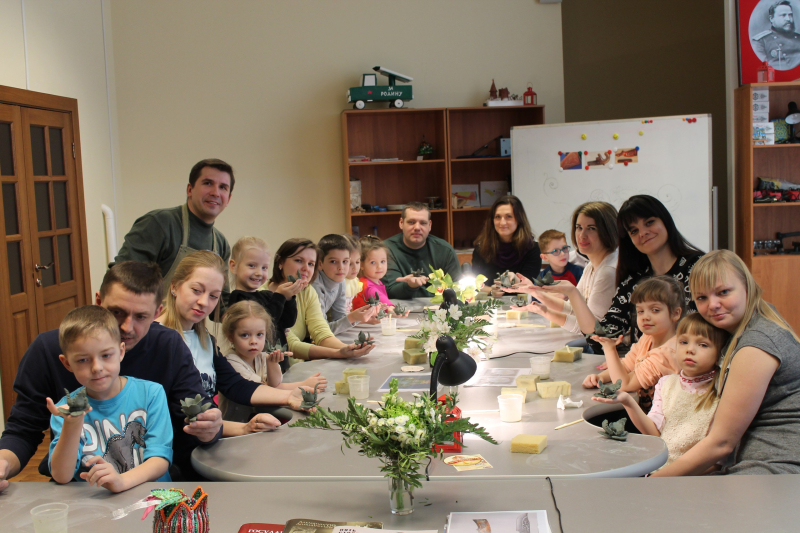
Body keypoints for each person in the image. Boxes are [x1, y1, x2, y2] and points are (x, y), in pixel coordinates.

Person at [0, 261, 222, 488]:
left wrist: (210, 428)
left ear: (157, 312)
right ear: (98, 301)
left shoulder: (168, 348)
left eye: (141, 317)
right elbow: (23, 430)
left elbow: (197, 416)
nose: (126, 327)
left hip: (149, 486)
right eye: (117, 312)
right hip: (80, 489)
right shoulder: (48, 349)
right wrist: (3, 463)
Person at [653, 250, 800, 476]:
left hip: (775, 467)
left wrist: (650, 483)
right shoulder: (759, 317)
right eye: (701, 297)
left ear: (747, 286)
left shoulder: (756, 344)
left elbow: (721, 444)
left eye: (723, 292)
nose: (712, 305)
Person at [156, 250, 307, 436]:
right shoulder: (157, 338)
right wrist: (242, 428)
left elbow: (235, 385)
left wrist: (289, 397)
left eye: (213, 296)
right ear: (174, 286)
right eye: (196, 290)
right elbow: (174, 416)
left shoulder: (205, 339)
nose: (204, 302)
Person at [47, 306, 172, 491]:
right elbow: (61, 475)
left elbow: (160, 459)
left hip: (152, 501)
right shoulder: (64, 410)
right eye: (83, 360)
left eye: (106, 355)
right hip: (96, 507)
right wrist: (72, 424)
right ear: (67, 363)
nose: (97, 367)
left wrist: (121, 482)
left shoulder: (151, 393)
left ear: (121, 351)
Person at [592, 313, 726, 468]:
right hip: (661, 471)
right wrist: (627, 402)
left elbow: (717, 460)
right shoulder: (666, 383)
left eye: (703, 345)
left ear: (720, 354)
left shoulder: (722, 391)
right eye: (683, 342)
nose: (690, 350)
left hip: (696, 479)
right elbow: (654, 433)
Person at [113, 159, 234, 294]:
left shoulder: (221, 243)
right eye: (208, 183)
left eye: (223, 187)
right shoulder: (159, 223)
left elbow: (223, 300)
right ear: (189, 190)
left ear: (228, 199)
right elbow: (120, 278)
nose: (215, 193)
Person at [602, 195, 704, 349]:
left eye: (649, 222)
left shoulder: (698, 267)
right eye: (634, 231)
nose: (643, 233)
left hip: (691, 367)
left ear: (665, 221)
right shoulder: (633, 279)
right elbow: (606, 333)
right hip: (644, 367)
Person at [506, 202, 619, 339]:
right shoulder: (592, 265)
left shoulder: (608, 271)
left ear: (607, 231)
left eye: (591, 228)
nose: (582, 235)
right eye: (579, 227)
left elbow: (593, 331)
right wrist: (535, 293)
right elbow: (572, 309)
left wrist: (570, 292)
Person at [585, 276, 684, 413]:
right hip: (644, 415)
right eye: (640, 311)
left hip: (663, 424)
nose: (645, 317)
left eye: (655, 310)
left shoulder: (667, 353)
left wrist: (609, 349)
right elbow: (626, 365)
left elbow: (625, 384)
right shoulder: (648, 338)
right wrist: (601, 377)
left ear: (675, 313)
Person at [268, 238, 376, 360]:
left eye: (310, 264)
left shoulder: (307, 291)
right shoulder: (264, 295)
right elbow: (290, 344)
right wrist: (338, 353)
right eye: (298, 261)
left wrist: (347, 348)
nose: (305, 268)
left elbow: (320, 331)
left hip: (298, 362)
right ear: (280, 262)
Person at [219, 301, 327, 422]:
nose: (253, 341)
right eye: (245, 335)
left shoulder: (261, 356)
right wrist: (302, 385)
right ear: (230, 336)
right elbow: (264, 389)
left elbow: (275, 384)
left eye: (259, 334)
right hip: (238, 425)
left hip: (260, 419)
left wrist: (272, 363)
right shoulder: (231, 362)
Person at [225, 236, 303, 371]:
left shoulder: (267, 295)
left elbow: (287, 322)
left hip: (279, 363)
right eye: (251, 265)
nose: (258, 273)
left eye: (264, 267)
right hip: (256, 368)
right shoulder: (237, 299)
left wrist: (289, 298)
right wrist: (280, 296)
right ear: (234, 266)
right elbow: (264, 322)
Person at [384, 202, 461, 299]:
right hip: (399, 309)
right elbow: (389, 292)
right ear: (401, 223)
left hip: (439, 309)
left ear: (429, 225)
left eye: (423, 223)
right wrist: (410, 286)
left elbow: (457, 288)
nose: (417, 228)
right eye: (411, 222)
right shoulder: (386, 250)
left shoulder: (445, 250)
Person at [312, 234, 378, 334]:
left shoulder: (340, 281)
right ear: (320, 264)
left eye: (345, 261)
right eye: (333, 261)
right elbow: (320, 331)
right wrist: (353, 317)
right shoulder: (315, 286)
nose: (341, 267)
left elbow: (339, 319)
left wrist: (359, 316)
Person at [471, 195, 542, 289]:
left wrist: (516, 279)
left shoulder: (532, 249)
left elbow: (529, 286)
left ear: (519, 219)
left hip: (522, 302)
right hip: (489, 301)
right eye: (497, 217)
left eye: (508, 217)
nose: (502, 222)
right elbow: (474, 284)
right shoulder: (482, 248)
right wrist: (491, 291)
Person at [352, 235, 408, 316]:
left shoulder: (376, 281)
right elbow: (385, 304)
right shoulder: (367, 286)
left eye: (382, 261)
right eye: (373, 262)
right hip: (364, 326)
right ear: (361, 264)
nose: (379, 267)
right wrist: (395, 311)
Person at [752, 1, 800, 70]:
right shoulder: (761, 41)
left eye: (790, 15)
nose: (788, 19)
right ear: (772, 18)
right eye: (783, 15)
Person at [343, 234, 362, 313]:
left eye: (357, 262)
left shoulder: (354, 281)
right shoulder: (337, 283)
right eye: (350, 263)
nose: (355, 268)